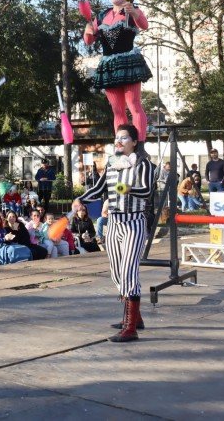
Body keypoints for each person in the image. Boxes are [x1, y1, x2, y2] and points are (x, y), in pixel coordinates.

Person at [74, 124, 156, 343]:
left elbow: (147, 190)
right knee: (117, 272)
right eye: (116, 138)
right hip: (114, 223)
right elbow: (99, 189)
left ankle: (130, 328)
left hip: (134, 222)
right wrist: (81, 199)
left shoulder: (143, 164)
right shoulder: (111, 165)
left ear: (134, 142)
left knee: (129, 272)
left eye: (124, 138)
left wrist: (128, 189)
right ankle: (135, 317)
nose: (118, 142)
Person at [83, 0, 152, 152]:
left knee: (134, 105)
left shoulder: (132, 10)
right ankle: (120, 145)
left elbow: (144, 25)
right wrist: (88, 29)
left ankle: (140, 145)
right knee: (117, 110)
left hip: (128, 62)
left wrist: (135, 14)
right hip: (109, 65)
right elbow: (89, 41)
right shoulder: (102, 16)